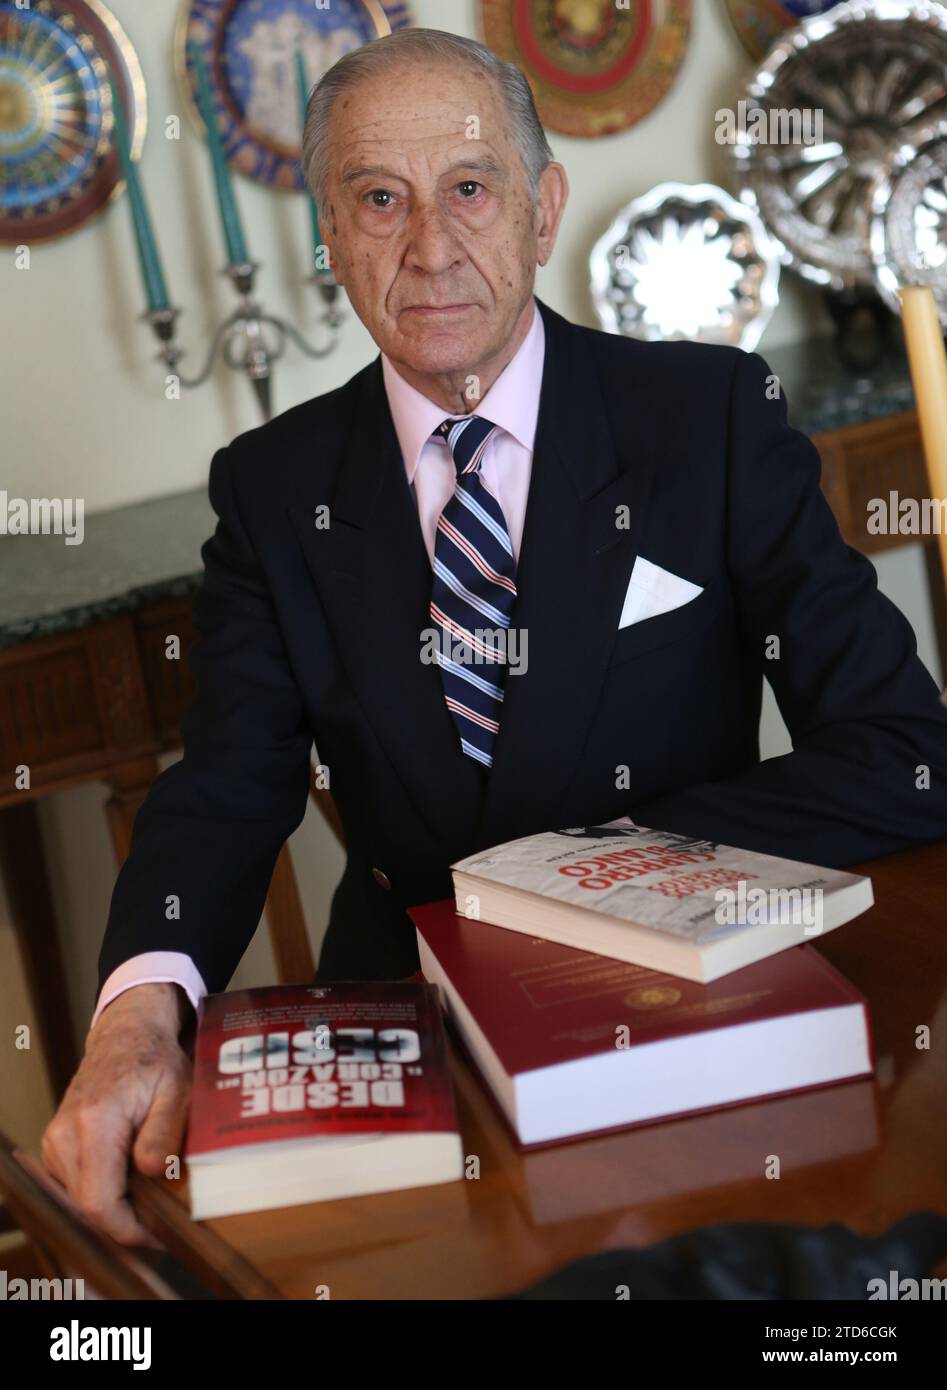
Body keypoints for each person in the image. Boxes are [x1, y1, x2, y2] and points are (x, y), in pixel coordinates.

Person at [42, 28, 947, 1244]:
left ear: (541, 209)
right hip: (414, 1045)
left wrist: (591, 869)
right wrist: (135, 1013)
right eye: (377, 199)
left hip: (685, 1003)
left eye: (468, 188)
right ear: (329, 232)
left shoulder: (707, 420)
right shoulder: (271, 487)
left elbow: (902, 749)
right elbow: (227, 784)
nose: (427, 248)